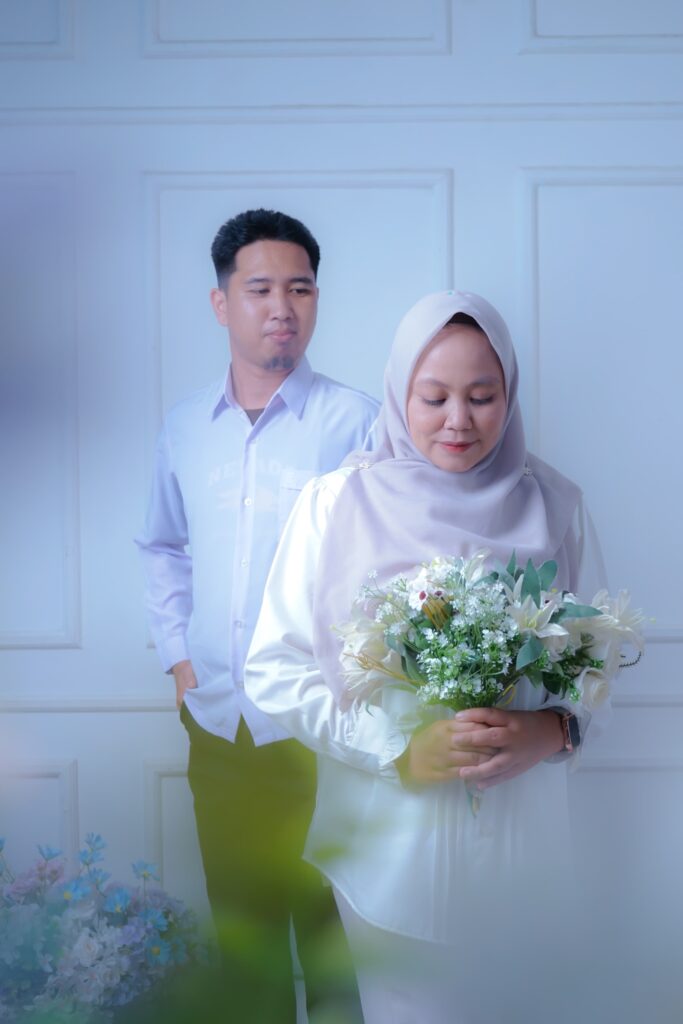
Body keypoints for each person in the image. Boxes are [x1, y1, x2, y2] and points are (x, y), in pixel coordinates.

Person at [245, 290, 608, 1023]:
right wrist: (395, 747)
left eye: (482, 396)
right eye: (434, 397)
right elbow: (274, 669)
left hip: (523, 858)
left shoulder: (555, 506)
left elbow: (600, 660)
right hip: (388, 861)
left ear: (509, 393)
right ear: (398, 392)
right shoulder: (335, 504)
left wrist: (550, 731)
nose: (457, 421)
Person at [135, 208, 377, 1021]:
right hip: (218, 724)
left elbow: (391, 566)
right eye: (261, 289)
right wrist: (180, 662)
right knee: (247, 950)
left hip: (319, 731)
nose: (283, 307)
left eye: (300, 289)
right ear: (221, 303)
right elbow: (162, 545)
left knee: (336, 947)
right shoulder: (184, 428)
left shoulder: (358, 424)